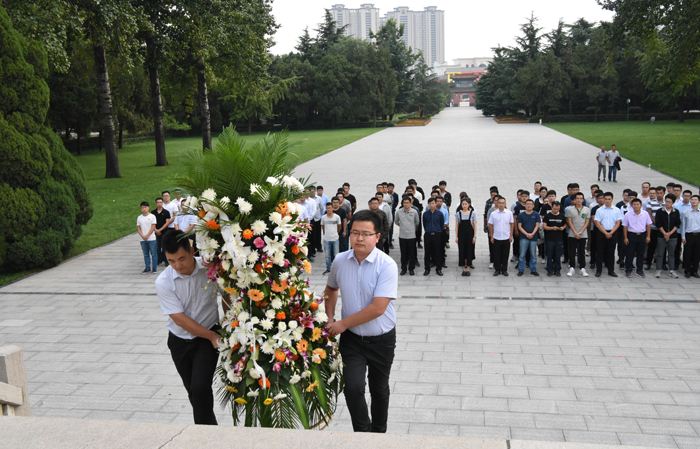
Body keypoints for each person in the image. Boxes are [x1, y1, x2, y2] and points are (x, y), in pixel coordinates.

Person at [324, 210, 398, 433]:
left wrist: (342, 323)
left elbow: (378, 308)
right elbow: (331, 289)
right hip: (353, 340)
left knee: (379, 389)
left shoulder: (387, 265)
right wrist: (329, 318)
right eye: (355, 232)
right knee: (353, 388)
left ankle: (379, 432)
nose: (359, 238)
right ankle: (363, 433)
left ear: (378, 236)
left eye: (366, 233)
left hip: (381, 340)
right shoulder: (340, 261)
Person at [155, 230, 228, 425]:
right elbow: (179, 319)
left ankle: (205, 436)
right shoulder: (163, 281)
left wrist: (225, 326)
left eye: (182, 258)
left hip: (207, 337)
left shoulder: (210, 268)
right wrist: (212, 336)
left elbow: (227, 293)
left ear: (191, 250)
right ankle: (209, 428)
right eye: (171, 261)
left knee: (200, 387)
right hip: (179, 341)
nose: (178, 265)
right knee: (194, 392)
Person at [594, 192, 622, 277]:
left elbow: (618, 223)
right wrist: (606, 233)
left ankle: (611, 270)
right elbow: (597, 223)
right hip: (602, 233)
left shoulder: (616, 210)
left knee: (611, 252)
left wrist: (611, 233)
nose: (607, 201)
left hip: (613, 233)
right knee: (600, 252)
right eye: (605, 199)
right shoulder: (599, 210)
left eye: (609, 199)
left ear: (612, 199)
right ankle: (599, 270)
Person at [622, 198, 652, 278]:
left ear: (641, 205)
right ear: (631, 205)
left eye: (637, 204)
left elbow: (648, 225)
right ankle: (628, 269)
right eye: (634, 204)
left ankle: (639, 270)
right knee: (630, 253)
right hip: (631, 235)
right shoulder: (628, 214)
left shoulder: (645, 214)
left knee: (640, 254)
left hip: (642, 235)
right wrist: (625, 238)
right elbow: (625, 226)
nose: (636, 206)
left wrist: (648, 236)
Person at [654, 194, 681, 278]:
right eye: (666, 201)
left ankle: (671, 270)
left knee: (671, 253)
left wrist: (670, 233)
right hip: (661, 235)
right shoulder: (660, 211)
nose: (667, 203)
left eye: (669, 202)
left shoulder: (676, 212)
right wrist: (665, 233)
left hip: (673, 236)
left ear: (673, 203)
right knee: (660, 253)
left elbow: (677, 224)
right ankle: (658, 270)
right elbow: (658, 223)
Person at [565, 192, 590, 277]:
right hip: (572, 233)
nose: (579, 200)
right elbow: (569, 222)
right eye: (577, 198)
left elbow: (587, 222)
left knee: (582, 251)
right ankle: (572, 267)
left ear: (583, 200)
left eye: (580, 198)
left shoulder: (587, 209)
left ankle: (582, 268)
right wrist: (575, 232)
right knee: (572, 251)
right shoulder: (570, 209)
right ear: (574, 200)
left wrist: (580, 232)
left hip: (583, 234)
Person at [488, 196, 514, 277]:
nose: (501, 204)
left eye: (503, 203)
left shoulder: (509, 213)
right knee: (496, 254)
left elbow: (512, 224)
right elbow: (490, 225)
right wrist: (491, 236)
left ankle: (504, 269)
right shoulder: (493, 214)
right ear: (497, 203)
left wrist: (511, 235)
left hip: (506, 237)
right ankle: (497, 269)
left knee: (505, 254)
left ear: (505, 204)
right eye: (499, 203)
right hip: (497, 237)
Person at [395, 196, 419, 275]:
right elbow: (396, 221)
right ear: (402, 203)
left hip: (411, 236)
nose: (406, 204)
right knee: (403, 254)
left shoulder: (414, 212)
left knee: (412, 253)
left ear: (410, 203)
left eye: (407, 203)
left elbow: (417, 222)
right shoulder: (399, 212)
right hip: (402, 236)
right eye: (404, 203)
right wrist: (402, 226)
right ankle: (403, 268)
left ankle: (411, 269)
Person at [516, 199, 541, 276]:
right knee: (522, 254)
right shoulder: (521, 215)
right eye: (527, 204)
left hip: (533, 237)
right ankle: (521, 269)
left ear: (533, 206)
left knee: (533, 254)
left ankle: (533, 269)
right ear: (525, 205)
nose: (529, 205)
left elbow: (537, 225)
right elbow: (519, 226)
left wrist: (532, 234)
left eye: (531, 204)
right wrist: (526, 234)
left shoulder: (536, 214)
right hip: (524, 237)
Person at [543, 201, 567, 277]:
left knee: (557, 255)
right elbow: (544, 226)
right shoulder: (547, 216)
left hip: (559, 239)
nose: (556, 210)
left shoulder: (562, 216)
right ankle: (549, 270)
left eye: (558, 209)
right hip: (549, 239)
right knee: (549, 255)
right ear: (551, 208)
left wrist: (562, 227)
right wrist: (552, 228)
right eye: (554, 209)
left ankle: (557, 270)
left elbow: (565, 224)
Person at [455, 197, 477, 277]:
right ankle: (463, 268)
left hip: (470, 235)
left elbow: (475, 225)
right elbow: (457, 225)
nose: (464, 206)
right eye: (463, 204)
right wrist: (456, 236)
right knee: (462, 250)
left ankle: (468, 268)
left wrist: (474, 236)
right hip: (461, 235)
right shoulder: (458, 214)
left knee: (469, 250)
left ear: (469, 204)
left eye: (466, 204)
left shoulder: (473, 213)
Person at [423, 198, 444, 276]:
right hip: (428, 234)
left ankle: (438, 269)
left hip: (437, 234)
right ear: (428, 204)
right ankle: (427, 269)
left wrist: (438, 231)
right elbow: (424, 224)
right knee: (427, 252)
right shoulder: (425, 214)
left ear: (435, 204)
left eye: (433, 203)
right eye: (430, 203)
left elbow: (441, 225)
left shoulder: (440, 214)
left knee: (437, 252)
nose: (431, 205)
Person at [681, 195, 700, 279]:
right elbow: (683, 226)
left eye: (695, 200)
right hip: (689, 234)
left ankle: (694, 270)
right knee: (688, 253)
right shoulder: (686, 212)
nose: (693, 201)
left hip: (698, 234)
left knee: (697, 253)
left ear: (699, 202)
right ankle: (687, 270)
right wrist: (683, 237)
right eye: (692, 200)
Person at [137, 201, 158, 274]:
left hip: (151, 238)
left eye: (145, 207)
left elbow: (153, 227)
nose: (144, 209)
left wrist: (147, 235)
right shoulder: (139, 217)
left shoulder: (152, 216)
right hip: (142, 239)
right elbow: (138, 228)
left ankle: (154, 268)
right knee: (146, 254)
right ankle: (147, 267)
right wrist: (142, 236)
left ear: (148, 208)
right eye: (142, 207)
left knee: (153, 253)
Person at [321, 202, 341, 275]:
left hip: (335, 238)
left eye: (329, 208)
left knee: (336, 255)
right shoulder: (323, 217)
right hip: (326, 239)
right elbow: (323, 227)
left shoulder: (337, 217)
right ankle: (328, 268)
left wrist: (336, 233)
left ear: (332, 208)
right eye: (327, 208)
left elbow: (339, 226)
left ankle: (336, 269)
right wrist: (326, 233)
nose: (328, 209)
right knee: (327, 255)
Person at [644, 187, 662, 270]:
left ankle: (662, 263)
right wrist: (657, 224)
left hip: (663, 229)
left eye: (660, 193)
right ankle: (648, 262)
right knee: (652, 246)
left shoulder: (666, 203)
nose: (658, 195)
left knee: (662, 247)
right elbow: (649, 215)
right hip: (653, 228)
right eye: (657, 193)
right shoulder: (650, 203)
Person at [152, 197, 172, 266]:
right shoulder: (153, 213)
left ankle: (166, 260)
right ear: (156, 203)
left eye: (160, 202)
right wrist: (156, 230)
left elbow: (167, 222)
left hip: (164, 232)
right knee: (157, 247)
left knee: (165, 247)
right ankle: (159, 260)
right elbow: (152, 223)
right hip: (156, 232)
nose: (159, 204)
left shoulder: (166, 212)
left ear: (162, 203)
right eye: (158, 202)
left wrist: (160, 230)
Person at [386, 183, 399, 248]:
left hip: (392, 213)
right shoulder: (385, 195)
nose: (390, 189)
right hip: (386, 213)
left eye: (391, 188)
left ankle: (390, 241)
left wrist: (393, 209)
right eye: (389, 188)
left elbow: (396, 203)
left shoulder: (395, 195)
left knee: (391, 227)